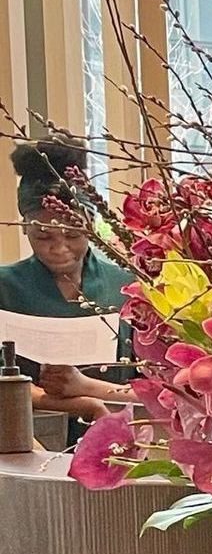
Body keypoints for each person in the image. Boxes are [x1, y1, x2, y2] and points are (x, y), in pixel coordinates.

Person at [1, 139, 136, 428]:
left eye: (73, 234)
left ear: (91, 225)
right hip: (27, 437)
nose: (59, 248)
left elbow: (157, 389)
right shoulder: (5, 288)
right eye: (44, 236)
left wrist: (87, 388)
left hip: (119, 433)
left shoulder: (127, 286)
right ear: (24, 227)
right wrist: (82, 405)